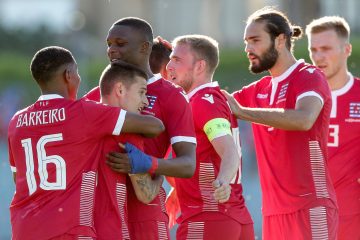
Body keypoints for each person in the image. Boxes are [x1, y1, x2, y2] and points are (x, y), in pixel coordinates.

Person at [7, 46, 164, 240]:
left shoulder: (16, 121)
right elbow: (155, 126)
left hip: (23, 228)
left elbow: (18, 179)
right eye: (77, 73)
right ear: (68, 75)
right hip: (67, 228)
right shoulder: (85, 113)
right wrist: (160, 173)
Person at [221, 7, 338, 240]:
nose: (248, 49)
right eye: (246, 42)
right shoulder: (259, 89)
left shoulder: (309, 76)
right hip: (273, 214)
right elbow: (212, 105)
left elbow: (304, 119)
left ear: (280, 40)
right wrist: (172, 66)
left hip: (311, 206)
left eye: (255, 40)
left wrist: (244, 112)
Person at [90, 17, 197, 239]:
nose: (112, 50)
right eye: (109, 44)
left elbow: (188, 165)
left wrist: (148, 164)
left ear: (144, 47)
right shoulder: (96, 95)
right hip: (101, 213)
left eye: (120, 44)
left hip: (145, 214)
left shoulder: (172, 96)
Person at [166, 34, 254, 240]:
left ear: (199, 67)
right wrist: (180, 190)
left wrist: (222, 181)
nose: (169, 65)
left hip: (208, 219)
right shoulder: (207, 100)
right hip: (233, 218)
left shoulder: (202, 102)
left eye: (177, 60)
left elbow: (229, 150)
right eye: (171, 58)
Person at [86, 62, 164, 240]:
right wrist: (161, 173)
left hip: (77, 230)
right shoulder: (128, 133)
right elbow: (146, 194)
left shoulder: (79, 121)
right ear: (120, 90)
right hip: (112, 231)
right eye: (142, 92)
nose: (145, 102)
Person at [306, 16, 360, 240]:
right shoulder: (301, 98)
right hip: (307, 215)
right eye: (314, 49)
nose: (319, 57)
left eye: (326, 48)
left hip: (353, 216)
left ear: (347, 49)